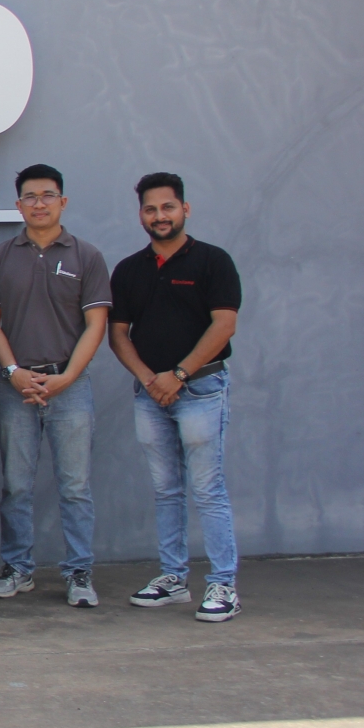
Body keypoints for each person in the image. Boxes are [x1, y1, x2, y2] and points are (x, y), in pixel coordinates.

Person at [108, 173, 242, 622]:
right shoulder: (129, 269)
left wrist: (179, 375)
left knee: (208, 490)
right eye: (150, 209)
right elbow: (118, 335)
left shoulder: (212, 261)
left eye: (167, 207)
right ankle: (173, 578)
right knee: (166, 491)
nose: (159, 216)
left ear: (185, 209)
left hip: (201, 389)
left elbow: (223, 324)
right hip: (151, 396)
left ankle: (224, 583)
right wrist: (151, 379)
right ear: (141, 215)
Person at [0, 163, 112, 608]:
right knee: (16, 484)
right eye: (30, 197)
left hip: (69, 386)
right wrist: (13, 371)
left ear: (63, 201)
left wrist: (66, 377)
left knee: (75, 486)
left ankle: (79, 573)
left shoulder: (86, 256)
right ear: (18, 205)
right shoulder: (0, 256)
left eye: (48, 195)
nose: (39, 203)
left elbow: (96, 325)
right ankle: (18, 568)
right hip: (15, 386)